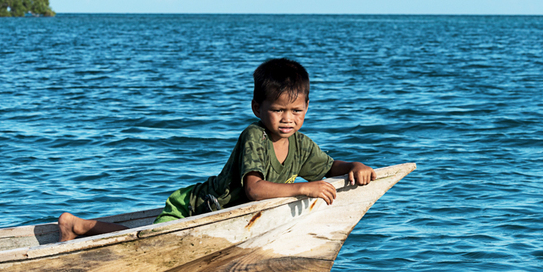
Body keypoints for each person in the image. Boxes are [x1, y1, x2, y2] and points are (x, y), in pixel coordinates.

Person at [57, 58, 376, 242]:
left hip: (222, 220)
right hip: (195, 209)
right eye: (279, 110)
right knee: (146, 240)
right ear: (257, 108)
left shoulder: (301, 146)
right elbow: (254, 189)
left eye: (296, 111)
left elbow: (330, 166)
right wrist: (304, 188)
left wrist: (355, 166)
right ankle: (80, 225)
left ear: (307, 109)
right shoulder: (255, 137)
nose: (287, 119)